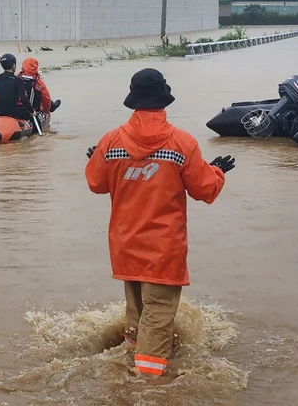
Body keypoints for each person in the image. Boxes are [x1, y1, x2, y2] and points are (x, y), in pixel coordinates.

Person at [84, 68, 235, 378]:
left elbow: (96, 182)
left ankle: (128, 367)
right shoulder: (182, 143)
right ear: (163, 100)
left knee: (137, 314)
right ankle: (148, 387)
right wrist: (216, 171)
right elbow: (205, 190)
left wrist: (100, 159)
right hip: (163, 251)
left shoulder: (111, 141)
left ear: (134, 100)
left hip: (126, 246)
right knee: (159, 317)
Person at [0, 53, 36, 121]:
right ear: (13, 65)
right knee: (33, 115)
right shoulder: (18, 80)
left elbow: (6, 84)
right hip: (14, 112)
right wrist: (32, 112)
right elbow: (24, 99)